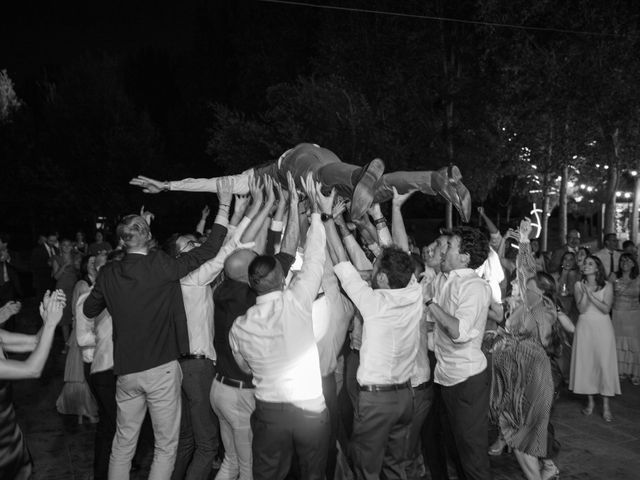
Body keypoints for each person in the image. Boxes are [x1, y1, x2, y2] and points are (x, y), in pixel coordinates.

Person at [83, 180, 234, 480]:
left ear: (123, 241)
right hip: (162, 369)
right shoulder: (160, 264)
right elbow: (209, 250)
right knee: (166, 446)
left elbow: (89, 311)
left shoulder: (109, 273)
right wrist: (225, 207)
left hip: (125, 372)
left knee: (123, 444)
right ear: (149, 236)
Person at [229, 174, 330, 480]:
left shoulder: (240, 326)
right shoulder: (297, 299)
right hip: (310, 408)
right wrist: (314, 209)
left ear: (251, 283)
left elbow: (244, 367)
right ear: (281, 278)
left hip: (270, 411)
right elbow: (314, 257)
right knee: (313, 474)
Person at [325, 188, 422, 479]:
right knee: (396, 467)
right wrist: (385, 216)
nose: (371, 270)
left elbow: (342, 263)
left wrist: (327, 217)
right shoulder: (414, 291)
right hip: (406, 397)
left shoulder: (373, 303)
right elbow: (398, 255)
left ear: (380, 277)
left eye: (375, 267)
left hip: (377, 401)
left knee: (366, 469)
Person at [129, 142, 472, 221]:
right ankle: (436, 179)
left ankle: (360, 175)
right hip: (326, 159)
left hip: (296, 162)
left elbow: (212, 182)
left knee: (320, 179)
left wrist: (170, 185)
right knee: (370, 194)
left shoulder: (252, 180)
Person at [212, 173, 298, 480]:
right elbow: (284, 255)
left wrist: (272, 205)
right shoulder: (250, 293)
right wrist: (290, 207)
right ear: (248, 276)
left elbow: (252, 248)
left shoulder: (222, 289)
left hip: (219, 387)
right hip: (239, 393)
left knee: (230, 463)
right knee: (249, 469)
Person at [490, 219, 560, 480]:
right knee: (516, 432)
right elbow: (524, 273)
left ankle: (544, 471)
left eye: (530, 286)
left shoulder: (544, 309)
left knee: (524, 434)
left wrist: (526, 243)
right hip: (516, 376)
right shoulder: (525, 306)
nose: (523, 285)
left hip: (534, 377)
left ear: (541, 291)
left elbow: (527, 270)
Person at [427, 226, 492, 480]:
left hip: (467, 381)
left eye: (450, 246)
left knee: (472, 458)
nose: (443, 250)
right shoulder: (445, 279)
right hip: (445, 376)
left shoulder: (475, 287)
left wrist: (430, 304)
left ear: (464, 257)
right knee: (455, 451)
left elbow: (459, 332)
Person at [0, 290, 65, 480]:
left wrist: (47, 320)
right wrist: (52, 324)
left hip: (11, 437)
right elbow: (32, 369)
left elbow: (36, 342)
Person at [569, 255, 620, 422]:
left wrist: (591, 296)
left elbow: (606, 309)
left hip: (603, 327)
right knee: (588, 364)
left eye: (590, 263)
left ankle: (606, 406)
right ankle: (590, 402)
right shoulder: (578, 285)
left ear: (597, 268)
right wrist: (584, 294)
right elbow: (582, 310)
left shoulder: (608, 285)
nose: (585, 266)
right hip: (585, 327)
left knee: (604, 364)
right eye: (584, 263)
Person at [56, 255, 99, 422]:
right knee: (79, 374)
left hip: (95, 332)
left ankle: (89, 409)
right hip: (84, 331)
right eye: (90, 261)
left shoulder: (103, 280)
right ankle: (83, 410)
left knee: (92, 373)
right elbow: (77, 311)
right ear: (84, 266)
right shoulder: (81, 284)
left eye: (96, 261)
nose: (94, 263)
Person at [611, 253, 640, 385]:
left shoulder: (638, 278)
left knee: (634, 344)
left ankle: (635, 373)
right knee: (618, 342)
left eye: (628, 260)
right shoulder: (613, 276)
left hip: (633, 315)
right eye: (622, 260)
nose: (624, 262)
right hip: (617, 313)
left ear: (634, 263)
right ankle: (620, 371)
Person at [52, 238, 80, 349]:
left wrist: (76, 263)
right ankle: (66, 344)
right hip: (61, 289)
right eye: (64, 245)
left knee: (75, 315)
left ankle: (76, 343)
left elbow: (79, 271)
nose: (67, 247)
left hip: (74, 288)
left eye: (69, 244)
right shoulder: (56, 259)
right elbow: (56, 276)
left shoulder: (76, 257)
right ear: (61, 247)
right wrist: (64, 265)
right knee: (64, 318)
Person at [30, 232, 58, 301]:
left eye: (54, 241)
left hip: (53, 282)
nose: (52, 243)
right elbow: (33, 265)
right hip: (41, 282)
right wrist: (47, 264)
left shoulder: (56, 250)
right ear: (46, 239)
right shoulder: (37, 250)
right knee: (41, 303)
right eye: (51, 240)